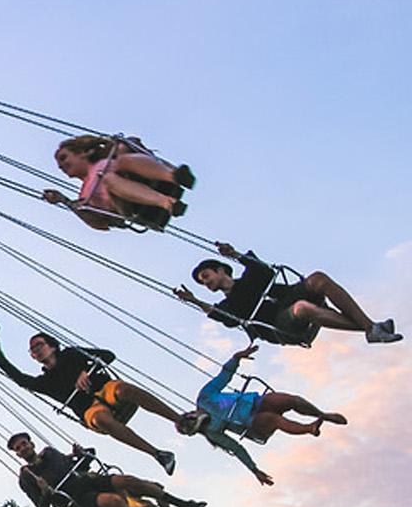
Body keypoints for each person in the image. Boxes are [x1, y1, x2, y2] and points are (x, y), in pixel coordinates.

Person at [0, 333, 185, 474]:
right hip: (89, 409)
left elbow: (108, 355)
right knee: (101, 419)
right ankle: (158, 454)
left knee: (124, 390)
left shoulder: (72, 354)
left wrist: (85, 368)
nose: (36, 350)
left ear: (52, 345)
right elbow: (21, 379)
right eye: (33, 350)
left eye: (39, 345)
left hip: (104, 389)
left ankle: (180, 419)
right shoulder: (45, 382)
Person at [177, 347, 347, 486]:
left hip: (254, 402)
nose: (203, 422)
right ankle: (310, 428)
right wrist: (254, 470)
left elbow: (223, 377)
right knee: (274, 419)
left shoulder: (205, 397)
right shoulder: (212, 431)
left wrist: (235, 358)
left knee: (290, 400)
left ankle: (323, 415)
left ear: (191, 414)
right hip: (252, 423)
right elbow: (236, 448)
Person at [7, 432, 203, 507]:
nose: (22, 449)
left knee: (128, 482)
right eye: (18, 448)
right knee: (116, 500)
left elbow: (77, 464)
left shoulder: (50, 453)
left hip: (87, 481)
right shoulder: (27, 477)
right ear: (17, 454)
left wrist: (80, 455)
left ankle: (182, 505)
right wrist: (45, 492)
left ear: (31, 443)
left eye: (24, 444)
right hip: (78, 501)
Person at [176, 242, 398, 347]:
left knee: (317, 278)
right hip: (281, 325)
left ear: (221, 270)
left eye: (206, 276)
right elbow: (220, 315)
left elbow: (264, 269)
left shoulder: (251, 277)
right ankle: (370, 328)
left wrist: (233, 253)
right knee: (303, 308)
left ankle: (371, 329)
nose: (206, 283)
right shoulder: (230, 305)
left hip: (287, 297)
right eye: (202, 283)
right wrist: (194, 300)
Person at [40, 135, 192, 231]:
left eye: (64, 158)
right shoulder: (84, 195)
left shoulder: (107, 157)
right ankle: (167, 203)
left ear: (83, 153)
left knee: (122, 158)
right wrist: (65, 201)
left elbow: (133, 144)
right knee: (109, 179)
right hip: (126, 205)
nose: (61, 166)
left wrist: (119, 144)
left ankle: (173, 176)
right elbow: (100, 225)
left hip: (141, 177)